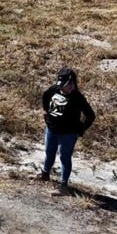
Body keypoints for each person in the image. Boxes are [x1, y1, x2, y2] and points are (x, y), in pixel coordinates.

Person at [35, 67, 96, 195]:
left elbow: (90, 115)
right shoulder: (55, 89)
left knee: (65, 157)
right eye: (61, 85)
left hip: (68, 134)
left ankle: (63, 186)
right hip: (51, 129)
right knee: (49, 152)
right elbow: (45, 96)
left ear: (72, 83)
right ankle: (45, 173)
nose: (62, 88)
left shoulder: (78, 98)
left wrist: (81, 129)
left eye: (65, 85)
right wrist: (47, 112)